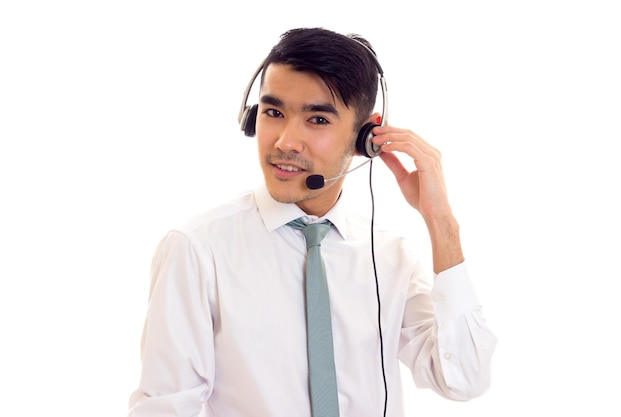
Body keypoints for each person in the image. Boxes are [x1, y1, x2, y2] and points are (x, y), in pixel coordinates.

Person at [127, 27, 497, 417]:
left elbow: (464, 379)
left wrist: (441, 222)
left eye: (317, 119)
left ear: (365, 136)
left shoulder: (389, 255)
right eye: (273, 113)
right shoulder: (197, 248)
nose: (285, 141)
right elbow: (166, 407)